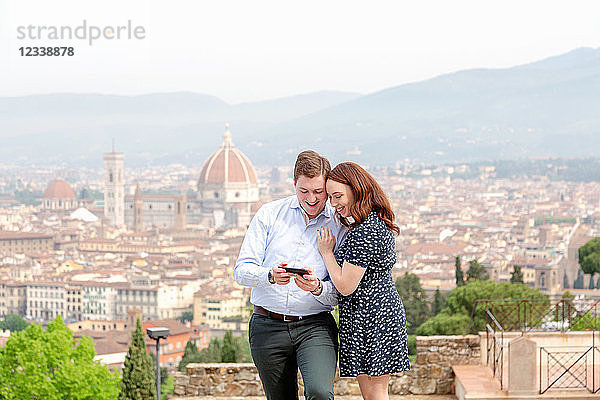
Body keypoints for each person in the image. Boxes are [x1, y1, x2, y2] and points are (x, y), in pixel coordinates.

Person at [234, 150, 347, 400]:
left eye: (319, 191)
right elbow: (241, 271)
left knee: (320, 392)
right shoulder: (269, 214)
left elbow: (340, 291)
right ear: (294, 183)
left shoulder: (339, 226)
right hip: (267, 325)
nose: (312, 199)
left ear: (327, 186)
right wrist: (269, 276)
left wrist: (317, 287)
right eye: (304, 191)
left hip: (315, 324)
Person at [317, 162, 410, 400]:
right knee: (375, 392)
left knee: (374, 393)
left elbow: (346, 286)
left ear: (356, 189)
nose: (334, 203)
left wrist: (327, 253)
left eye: (338, 196)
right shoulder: (373, 222)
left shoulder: (363, 232)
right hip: (376, 310)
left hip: (370, 314)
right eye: (330, 197)